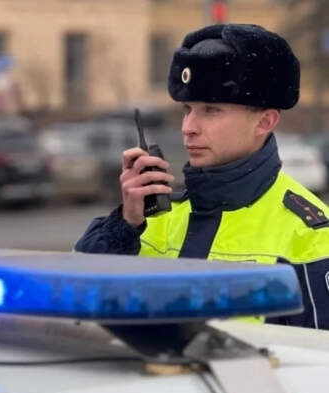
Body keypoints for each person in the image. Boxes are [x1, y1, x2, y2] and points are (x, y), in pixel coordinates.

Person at [74, 23, 329, 329]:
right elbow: (78, 310)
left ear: (265, 122)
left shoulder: (311, 235)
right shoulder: (150, 215)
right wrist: (125, 226)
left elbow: (317, 355)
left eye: (211, 110)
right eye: (187, 109)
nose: (188, 127)